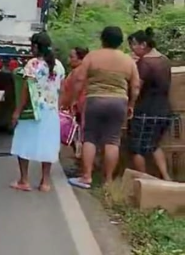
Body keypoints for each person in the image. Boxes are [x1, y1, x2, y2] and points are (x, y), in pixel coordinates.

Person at [65, 26, 140, 189]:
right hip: (119, 101)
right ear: (120, 42)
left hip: (95, 100)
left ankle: (86, 177)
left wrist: (75, 99)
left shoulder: (92, 57)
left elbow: (79, 79)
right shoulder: (128, 60)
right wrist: (131, 104)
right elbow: (135, 86)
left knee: (90, 137)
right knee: (113, 140)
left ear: (102, 39)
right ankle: (108, 181)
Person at [9, 32, 65, 193]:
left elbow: (27, 88)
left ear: (35, 47)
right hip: (51, 110)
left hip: (33, 110)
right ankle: (45, 182)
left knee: (23, 142)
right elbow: (61, 88)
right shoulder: (59, 66)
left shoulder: (33, 64)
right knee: (48, 144)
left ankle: (24, 180)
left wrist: (17, 111)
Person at [127, 28, 172, 180]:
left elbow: (136, 87)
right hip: (165, 110)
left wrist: (131, 105)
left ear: (143, 44)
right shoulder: (165, 60)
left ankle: (144, 181)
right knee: (153, 145)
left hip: (146, 112)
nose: (132, 49)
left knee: (137, 149)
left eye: (133, 45)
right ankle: (166, 177)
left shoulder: (145, 63)